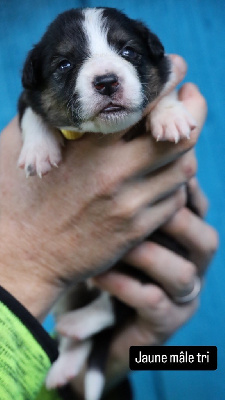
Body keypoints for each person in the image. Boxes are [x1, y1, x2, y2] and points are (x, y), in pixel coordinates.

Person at [0, 56, 218, 400]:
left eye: (128, 53)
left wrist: (115, 363)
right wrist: (31, 269)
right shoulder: (43, 101)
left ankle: (94, 346)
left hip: (141, 283)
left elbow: (197, 361)